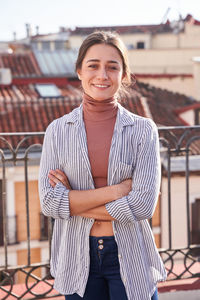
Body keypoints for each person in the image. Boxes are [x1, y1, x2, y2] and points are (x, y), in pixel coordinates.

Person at [39, 31, 166, 300]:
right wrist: (117, 191)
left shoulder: (143, 131)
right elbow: (50, 203)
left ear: (124, 75)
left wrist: (73, 201)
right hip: (76, 255)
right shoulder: (57, 131)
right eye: (93, 65)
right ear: (79, 71)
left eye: (112, 67)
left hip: (131, 257)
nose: (102, 75)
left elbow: (143, 205)